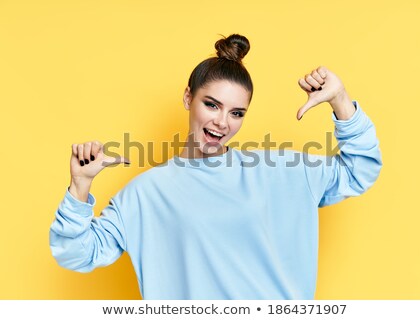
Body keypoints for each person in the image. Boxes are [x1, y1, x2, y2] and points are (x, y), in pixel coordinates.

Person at [49, 34, 382, 299]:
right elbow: (75, 254)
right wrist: (79, 186)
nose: (222, 122)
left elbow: (359, 170)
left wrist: (340, 99)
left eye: (236, 113)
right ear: (187, 98)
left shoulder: (278, 170)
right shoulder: (145, 194)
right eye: (211, 105)